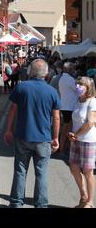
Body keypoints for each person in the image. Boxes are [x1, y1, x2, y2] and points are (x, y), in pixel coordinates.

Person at [4, 59, 61, 208]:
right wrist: (55, 137)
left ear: (30, 72)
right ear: (46, 74)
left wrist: (8, 130)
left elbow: (12, 110)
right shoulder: (52, 91)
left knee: (20, 171)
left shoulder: (21, 87)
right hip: (43, 138)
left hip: (23, 136)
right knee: (41, 173)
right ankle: (41, 205)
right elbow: (56, 117)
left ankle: (16, 203)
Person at [68, 77, 96, 208]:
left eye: (81, 84)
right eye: (77, 83)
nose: (78, 86)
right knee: (74, 168)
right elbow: (74, 120)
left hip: (87, 140)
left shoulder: (93, 101)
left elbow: (90, 123)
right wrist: (71, 133)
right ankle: (83, 196)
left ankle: (90, 202)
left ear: (88, 87)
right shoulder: (77, 100)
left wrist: (76, 134)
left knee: (88, 171)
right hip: (75, 140)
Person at [58, 62, 78, 155]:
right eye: (72, 68)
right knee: (67, 129)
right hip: (69, 107)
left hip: (65, 106)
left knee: (65, 129)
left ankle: (63, 148)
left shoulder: (62, 78)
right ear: (69, 69)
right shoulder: (70, 79)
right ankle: (63, 149)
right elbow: (78, 90)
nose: (74, 70)